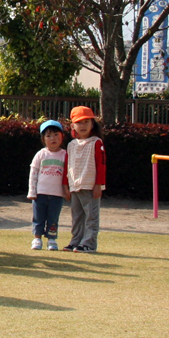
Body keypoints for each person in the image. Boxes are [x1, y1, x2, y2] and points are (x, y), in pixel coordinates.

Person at [64, 105, 106, 253]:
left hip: (90, 186)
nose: (82, 126)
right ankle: (76, 241)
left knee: (91, 217)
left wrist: (98, 184)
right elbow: (67, 166)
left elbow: (101, 165)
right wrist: (65, 186)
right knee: (77, 216)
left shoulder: (96, 142)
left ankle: (89, 243)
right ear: (72, 125)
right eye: (79, 122)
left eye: (86, 122)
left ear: (92, 124)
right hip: (75, 185)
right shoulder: (71, 145)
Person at [27, 119, 69, 251]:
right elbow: (33, 174)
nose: (53, 138)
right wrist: (32, 191)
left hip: (57, 194)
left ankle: (51, 239)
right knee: (38, 217)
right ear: (43, 139)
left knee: (53, 218)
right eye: (49, 136)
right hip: (40, 194)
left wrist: (67, 190)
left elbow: (68, 175)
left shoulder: (65, 155)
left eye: (56, 135)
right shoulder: (41, 154)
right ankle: (37, 238)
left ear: (62, 136)